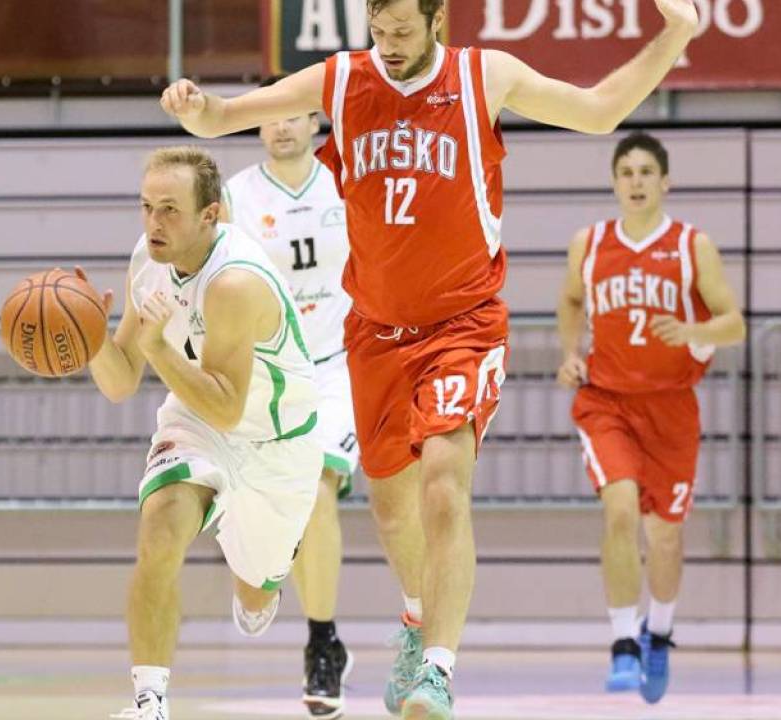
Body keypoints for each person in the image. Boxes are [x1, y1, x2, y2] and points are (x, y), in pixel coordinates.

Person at [160, 0, 700, 716]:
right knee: (392, 511)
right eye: (378, 31)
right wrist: (194, 105)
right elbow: (223, 117)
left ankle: (439, 669)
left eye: (402, 33)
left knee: (445, 485)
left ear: (438, 20)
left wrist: (676, 33)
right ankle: (418, 621)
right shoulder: (342, 79)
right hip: (376, 333)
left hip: (462, 326)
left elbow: (600, 111)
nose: (387, 45)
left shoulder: (485, 76)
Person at [86, 146, 323, 720]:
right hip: (198, 418)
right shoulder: (147, 260)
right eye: (147, 207)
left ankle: (264, 558)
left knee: (254, 598)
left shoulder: (234, 282)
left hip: (276, 437)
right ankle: (149, 701)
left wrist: (158, 349)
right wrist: (89, 337)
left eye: (170, 209)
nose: (154, 222)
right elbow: (120, 382)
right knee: (160, 528)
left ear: (210, 215)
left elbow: (227, 406)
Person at [555, 131, 745, 704]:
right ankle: (622, 643)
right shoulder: (589, 243)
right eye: (626, 173)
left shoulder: (691, 245)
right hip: (607, 401)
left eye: (645, 173)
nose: (635, 182)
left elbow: (733, 323)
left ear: (665, 182)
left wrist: (691, 330)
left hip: (671, 405)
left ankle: (657, 633)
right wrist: (571, 352)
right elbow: (571, 300)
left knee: (665, 536)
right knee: (619, 510)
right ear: (614, 183)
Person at [220, 74, 357, 720]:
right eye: (269, 116)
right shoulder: (235, 196)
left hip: (338, 364)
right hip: (270, 372)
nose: (280, 125)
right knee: (278, 515)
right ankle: (268, 578)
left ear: (315, 122)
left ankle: (323, 642)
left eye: (293, 114)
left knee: (319, 488)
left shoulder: (346, 183)